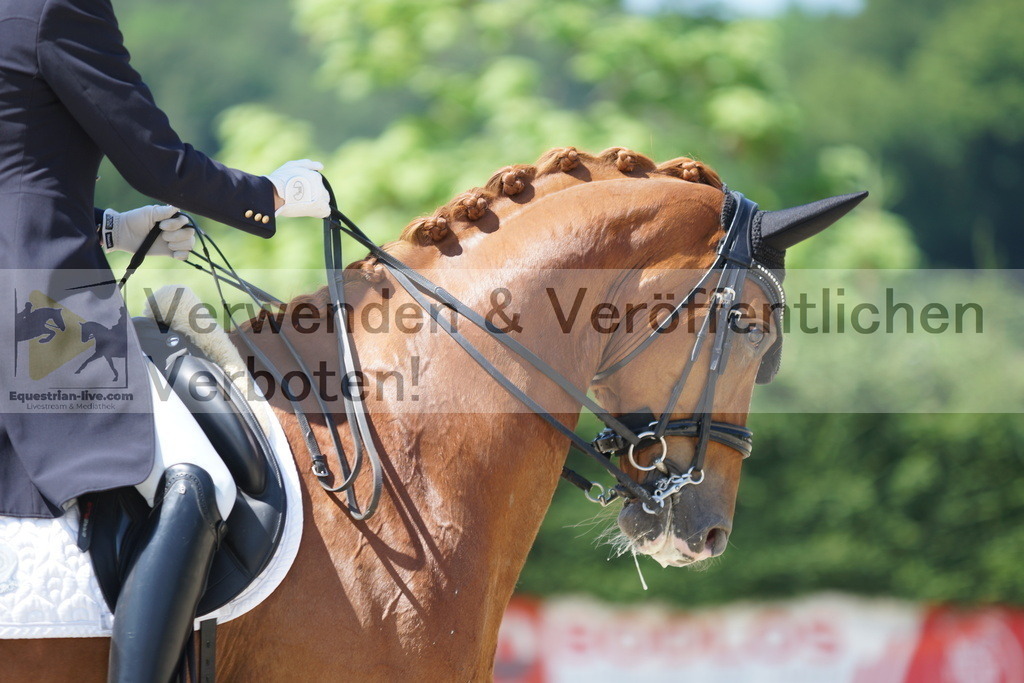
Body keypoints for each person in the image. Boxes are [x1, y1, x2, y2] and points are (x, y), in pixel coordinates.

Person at [0, 0, 329, 679]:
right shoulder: (57, 8)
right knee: (197, 479)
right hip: (35, 306)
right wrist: (269, 195)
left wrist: (110, 228)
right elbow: (156, 159)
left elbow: (20, 173)